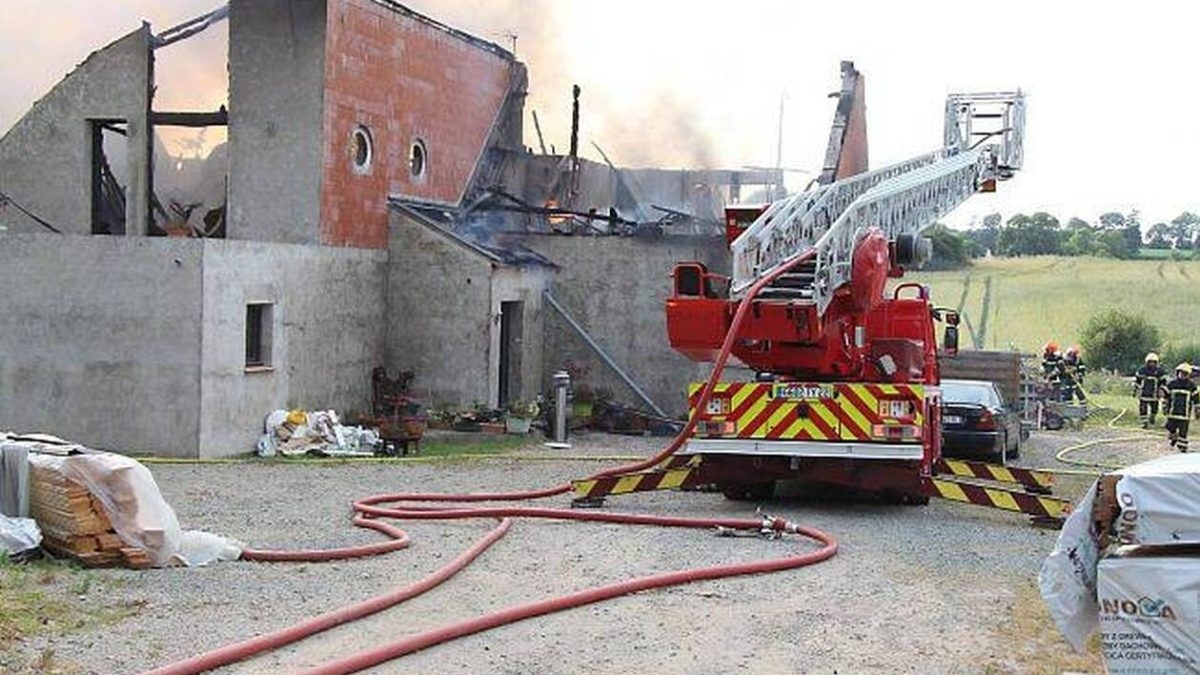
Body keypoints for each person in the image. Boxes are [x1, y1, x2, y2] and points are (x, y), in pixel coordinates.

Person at [1161, 363, 1200, 453]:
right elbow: (1166, 396)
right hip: (1172, 412)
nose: (1182, 375)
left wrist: (1197, 410)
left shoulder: (1192, 386)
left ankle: (1182, 447)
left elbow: (1196, 400)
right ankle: (1174, 437)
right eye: (1181, 373)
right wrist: (1164, 407)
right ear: (1177, 373)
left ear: (1188, 375)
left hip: (1184, 414)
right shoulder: (1172, 384)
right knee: (1169, 426)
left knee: (1183, 432)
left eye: (1185, 373)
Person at [1133, 352, 1168, 428]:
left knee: (1154, 408)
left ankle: (1152, 418)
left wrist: (1162, 391)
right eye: (1150, 362)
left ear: (1156, 362)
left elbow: (1163, 383)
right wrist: (1135, 391)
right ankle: (1144, 423)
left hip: (1154, 394)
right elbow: (1137, 382)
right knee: (1143, 408)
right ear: (1147, 362)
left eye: (1153, 362)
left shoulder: (1160, 371)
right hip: (1144, 393)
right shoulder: (1142, 370)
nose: (1152, 364)